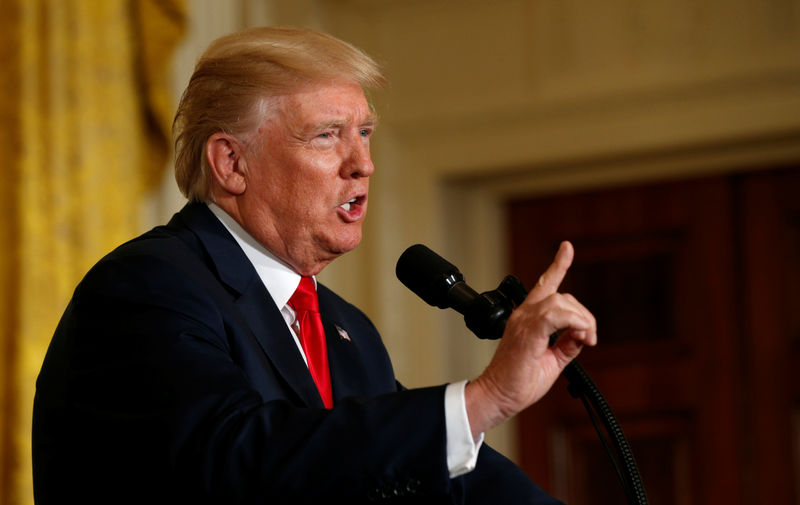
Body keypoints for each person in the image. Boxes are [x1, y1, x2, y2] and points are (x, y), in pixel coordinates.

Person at [32, 27, 597, 504]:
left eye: (365, 134)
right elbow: (240, 462)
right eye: (327, 136)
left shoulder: (345, 330)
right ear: (231, 163)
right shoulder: (148, 288)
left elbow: (423, 475)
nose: (364, 164)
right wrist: (486, 397)